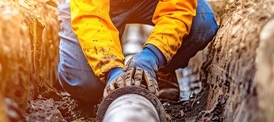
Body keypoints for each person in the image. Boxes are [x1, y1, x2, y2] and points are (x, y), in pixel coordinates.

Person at [57, 0, 218, 102]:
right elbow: (90, 17)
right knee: (85, 84)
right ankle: (106, 81)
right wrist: (110, 68)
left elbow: (177, 8)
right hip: (92, 6)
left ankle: (160, 73)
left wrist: (153, 55)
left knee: (201, 23)